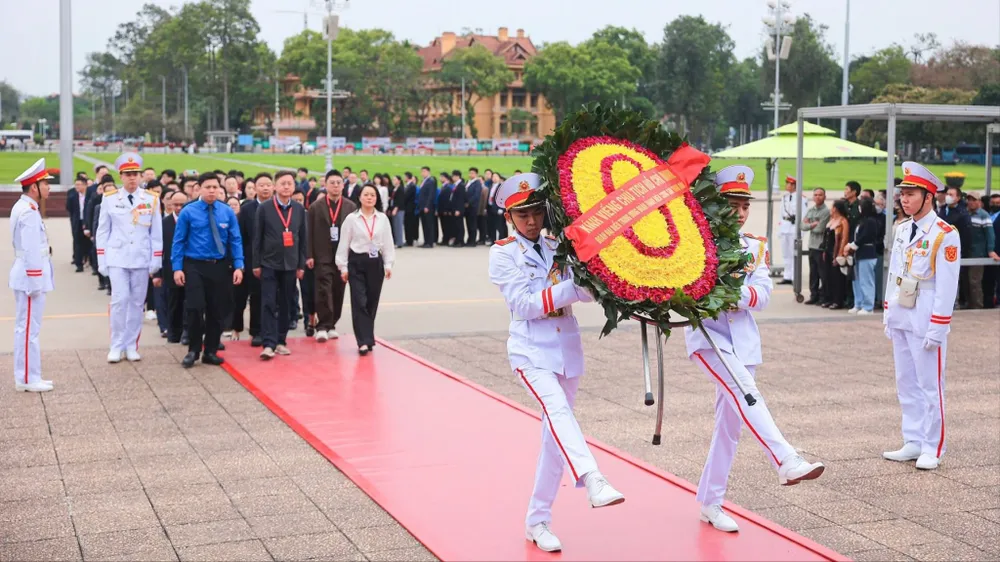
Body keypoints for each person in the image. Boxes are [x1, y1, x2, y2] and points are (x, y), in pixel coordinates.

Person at [488, 173, 624, 553]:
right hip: (530, 351)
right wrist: (574, 289)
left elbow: (584, 289)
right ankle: (592, 477)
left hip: (566, 349)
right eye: (522, 214)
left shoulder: (556, 245)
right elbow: (525, 304)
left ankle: (537, 520)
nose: (531, 220)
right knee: (560, 413)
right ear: (508, 217)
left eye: (535, 211)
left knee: (554, 440)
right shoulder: (502, 253)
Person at [685, 166, 826, 533]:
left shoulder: (755, 246)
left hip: (744, 343)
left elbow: (762, 295)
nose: (740, 212)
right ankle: (785, 459)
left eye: (744, 205)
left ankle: (710, 502)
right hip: (709, 340)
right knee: (748, 395)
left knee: (729, 428)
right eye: (732, 205)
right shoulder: (697, 245)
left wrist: (732, 295)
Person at [882, 162, 961, 471]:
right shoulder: (903, 228)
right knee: (906, 381)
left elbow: (947, 284)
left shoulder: (944, 234)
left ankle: (932, 446)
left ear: (929, 196)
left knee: (931, 384)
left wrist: (940, 325)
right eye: (903, 193)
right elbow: (894, 272)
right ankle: (913, 439)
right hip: (902, 308)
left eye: (911, 193)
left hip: (927, 312)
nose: (905, 199)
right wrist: (888, 311)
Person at [170, 173, 244, 368]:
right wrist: (177, 268)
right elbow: (178, 241)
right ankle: (194, 349)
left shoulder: (226, 211)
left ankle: (210, 350)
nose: (212, 191)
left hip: (219, 266)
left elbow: (235, 239)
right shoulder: (189, 211)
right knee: (194, 307)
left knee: (217, 309)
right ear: (200, 188)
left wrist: (239, 266)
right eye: (208, 187)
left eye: (215, 187)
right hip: (194, 265)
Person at [96, 152, 163, 363]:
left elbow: (156, 233)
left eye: (135, 174)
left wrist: (156, 259)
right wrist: (102, 259)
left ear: (141, 176)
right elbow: (102, 231)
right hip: (117, 256)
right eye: (128, 174)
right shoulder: (110, 199)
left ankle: (131, 345)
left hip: (141, 257)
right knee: (119, 300)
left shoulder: (152, 199)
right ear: (120, 176)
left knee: (136, 303)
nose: (132, 178)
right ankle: (116, 345)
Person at [10, 159, 55, 392]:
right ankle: (27, 378)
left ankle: (30, 374)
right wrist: (36, 281)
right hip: (29, 278)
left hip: (29, 275)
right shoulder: (28, 212)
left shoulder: (28, 208)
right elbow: (29, 250)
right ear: (34, 187)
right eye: (46, 183)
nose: (49, 188)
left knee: (29, 328)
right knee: (28, 329)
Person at [254, 170, 307, 359]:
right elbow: (257, 238)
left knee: (286, 304)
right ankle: (268, 343)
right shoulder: (265, 208)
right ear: (275, 186)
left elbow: (303, 239)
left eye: (289, 184)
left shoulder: (299, 209)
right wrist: (256, 263)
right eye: (282, 183)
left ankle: (281, 341)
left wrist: (301, 264)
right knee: (268, 302)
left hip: (290, 264)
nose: (286, 187)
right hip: (269, 263)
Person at [336, 185, 394, 355]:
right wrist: (343, 266)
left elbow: (388, 243)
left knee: (371, 302)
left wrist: (388, 264)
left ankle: (367, 336)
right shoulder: (351, 219)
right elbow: (344, 244)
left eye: (373, 195)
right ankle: (363, 341)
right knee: (359, 301)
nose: (369, 198)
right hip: (357, 262)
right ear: (359, 197)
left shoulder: (382, 218)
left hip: (375, 262)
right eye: (366, 195)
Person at [308, 170, 356, 342]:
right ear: (326, 185)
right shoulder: (316, 207)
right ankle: (322, 326)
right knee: (323, 290)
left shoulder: (351, 207)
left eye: (338, 182)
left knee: (338, 291)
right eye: (332, 182)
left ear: (343, 185)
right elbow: (309, 232)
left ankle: (332, 324)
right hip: (322, 255)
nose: (335, 185)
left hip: (343, 257)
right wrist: (309, 254)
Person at [235, 172, 273, 347]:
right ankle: (254, 331)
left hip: (274, 258)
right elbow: (240, 237)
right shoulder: (247, 209)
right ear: (254, 188)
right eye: (261, 185)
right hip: (251, 259)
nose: (265, 188)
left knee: (271, 297)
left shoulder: (277, 206)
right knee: (253, 296)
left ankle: (268, 331)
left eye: (268, 185)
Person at [160, 190, 188, 343]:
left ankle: (186, 332)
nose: (178, 208)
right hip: (170, 268)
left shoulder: (193, 220)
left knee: (189, 301)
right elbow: (159, 249)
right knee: (173, 301)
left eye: (182, 205)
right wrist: (157, 273)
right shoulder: (164, 223)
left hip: (190, 267)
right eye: (175, 204)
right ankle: (173, 333)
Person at [800, 188, 830, 304]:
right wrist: (812, 224)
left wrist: (810, 225)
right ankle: (814, 295)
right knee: (813, 273)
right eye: (815, 195)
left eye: (820, 195)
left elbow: (820, 228)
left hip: (820, 246)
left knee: (822, 273)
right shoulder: (811, 210)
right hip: (812, 245)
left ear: (824, 197)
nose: (817, 197)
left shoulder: (825, 212)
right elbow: (802, 225)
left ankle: (823, 296)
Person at [778, 175, 803, 284]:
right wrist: (779, 229)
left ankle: (794, 276)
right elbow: (780, 214)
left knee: (794, 254)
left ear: (794, 185)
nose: (787, 185)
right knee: (785, 254)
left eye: (789, 184)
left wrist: (801, 232)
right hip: (784, 227)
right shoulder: (784, 197)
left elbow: (803, 214)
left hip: (794, 228)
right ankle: (787, 276)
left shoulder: (801, 198)